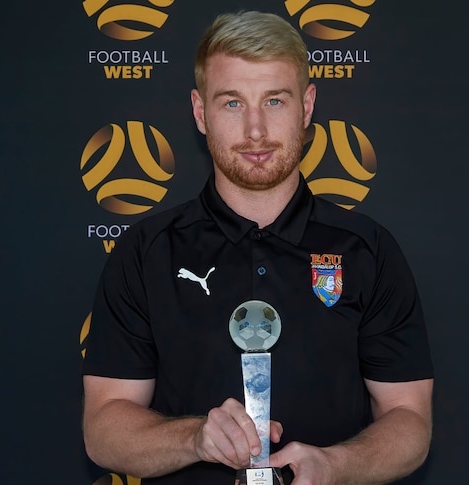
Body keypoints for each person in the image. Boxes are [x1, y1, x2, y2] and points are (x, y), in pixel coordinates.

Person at [82, 10, 434, 484]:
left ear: (306, 107)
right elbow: (104, 426)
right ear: (198, 111)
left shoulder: (367, 250)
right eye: (231, 103)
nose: (254, 130)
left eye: (274, 101)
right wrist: (194, 437)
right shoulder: (147, 252)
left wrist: (336, 466)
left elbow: (409, 418)